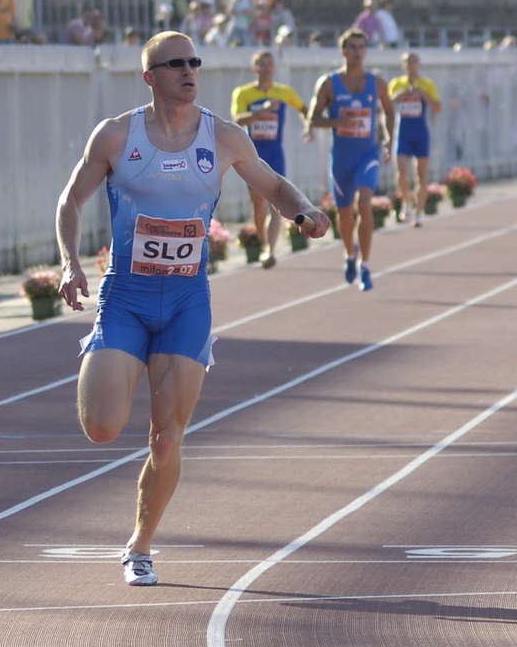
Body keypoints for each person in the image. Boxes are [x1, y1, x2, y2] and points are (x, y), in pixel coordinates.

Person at [55, 31, 330, 586]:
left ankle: (140, 546)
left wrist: (305, 210)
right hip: (126, 297)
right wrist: (69, 263)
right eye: (175, 63)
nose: (188, 71)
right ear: (150, 76)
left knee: (167, 437)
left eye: (194, 62)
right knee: (102, 426)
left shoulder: (224, 137)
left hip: (186, 302)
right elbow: (71, 200)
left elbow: (274, 186)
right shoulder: (116, 135)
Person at [309, 29, 394, 292]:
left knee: (365, 203)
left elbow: (389, 112)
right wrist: (338, 122)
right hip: (342, 158)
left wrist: (389, 139)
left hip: (368, 155)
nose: (357, 52)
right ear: (343, 51)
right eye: (352, 47)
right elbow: (313, 119)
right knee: (344, 213)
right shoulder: (328, 83)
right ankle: (349, 254)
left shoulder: (377, 83)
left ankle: (365, 266)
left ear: (366, 51)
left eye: (361, 47)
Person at [230, 50, 310, 268]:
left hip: (275, 154)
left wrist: (307, 127)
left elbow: (304, 109)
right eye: (261, 64)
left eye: (269, 64)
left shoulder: (283, 92)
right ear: (254, 68)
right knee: (258, 205)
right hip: (252, 156)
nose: (265, 68)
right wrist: (261, 112)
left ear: (274, 68)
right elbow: (238, 120)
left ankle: (270, 250)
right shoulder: (243, 93)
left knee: (276, 203)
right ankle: (263, 242)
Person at [389, 53, 442, 227]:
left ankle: (419, 213)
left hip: (421, 134)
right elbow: (386, 104)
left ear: (419, 64)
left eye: (414, 62)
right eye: (407, 62)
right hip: (402, 133)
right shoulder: (396, 83)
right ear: (402, 65)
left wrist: (423, 94)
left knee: (421, 174)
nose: (411, 65)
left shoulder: (427, 84)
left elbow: (438, 107)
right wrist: (402, 94)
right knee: (401, 172)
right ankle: (406, 202)